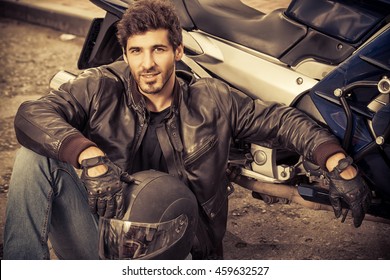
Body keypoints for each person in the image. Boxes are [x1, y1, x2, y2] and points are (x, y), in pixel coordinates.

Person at [3, 0, 370, 260]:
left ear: (178, 51)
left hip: (183, 254)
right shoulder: (101, 86)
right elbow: (33, 115)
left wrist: (338, 162)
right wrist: (88, 155)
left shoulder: (213, 100)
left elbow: (282, 121)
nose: (147, 64)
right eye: (137, 52)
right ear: (126, 54)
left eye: (158, 50)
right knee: (37, 156)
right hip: (104, 240)